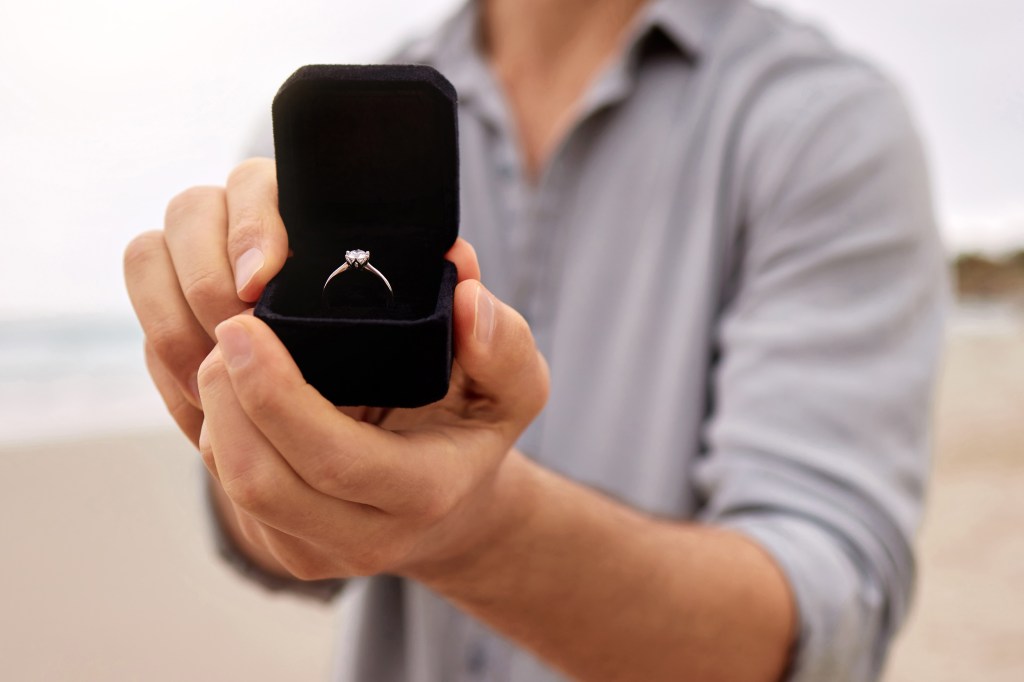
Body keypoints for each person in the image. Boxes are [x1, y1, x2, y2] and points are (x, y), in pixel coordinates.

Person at [123, 0, 948, 679]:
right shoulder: (330, 127)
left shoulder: (821, 124)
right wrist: (265, 475)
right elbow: (269, 543)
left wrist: (471, 526)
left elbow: (822, 621)